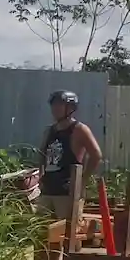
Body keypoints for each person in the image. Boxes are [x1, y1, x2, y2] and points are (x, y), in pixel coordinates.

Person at [38, 90, 101, 219]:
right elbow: (41, 155)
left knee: (66, 233)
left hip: (67, 193)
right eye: (53, 105)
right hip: (47, 190)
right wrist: (40, 175)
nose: (55, 109)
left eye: (59, 105)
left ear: (71, 108)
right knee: (41, 231)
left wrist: (82, 181)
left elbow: (96, 155)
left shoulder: (79, 129)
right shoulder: (49, 131)